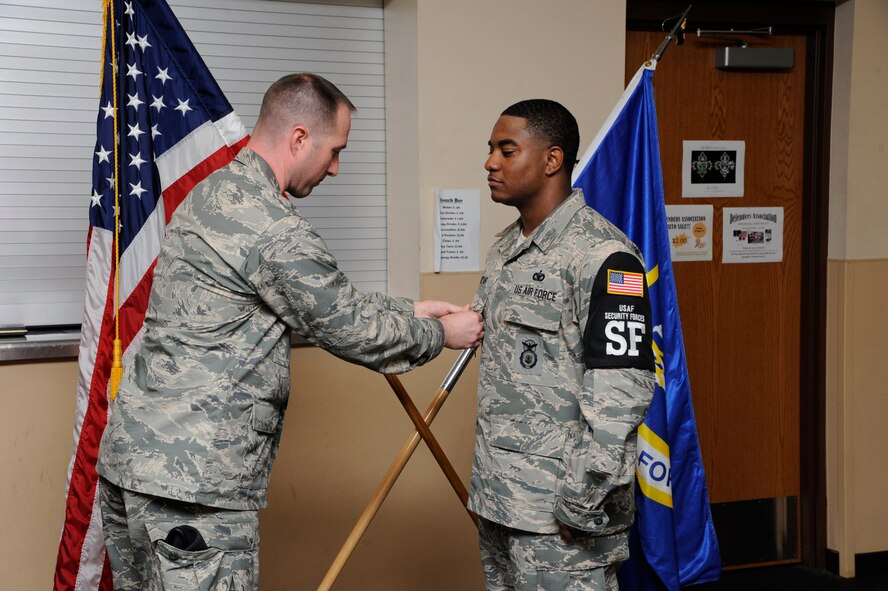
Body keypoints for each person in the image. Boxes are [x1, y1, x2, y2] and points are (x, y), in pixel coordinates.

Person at [96, 73, 483, 590]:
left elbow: (309, 298)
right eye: (334, 151)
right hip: (196, 486)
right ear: (299, 138)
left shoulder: (209, 194)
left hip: (133, 465)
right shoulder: (275, 227)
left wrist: (411, 308)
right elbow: (348, 328)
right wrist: (442, 335)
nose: (336, 168)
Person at [469, 99, 656, 590]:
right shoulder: (506, 248)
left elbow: (621, 395)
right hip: (501, 499)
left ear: (552, 160)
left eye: (507, 150)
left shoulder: (607, 256)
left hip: (564, 512)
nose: (491, 162)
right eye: (490, 150)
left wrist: (582, 498)